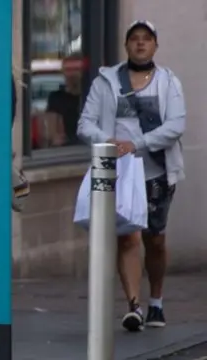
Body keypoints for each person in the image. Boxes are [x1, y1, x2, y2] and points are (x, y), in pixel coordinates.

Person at [77, 20, 185, 332]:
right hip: (119, 172)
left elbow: (176, 125)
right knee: (127, 236)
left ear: (155, 46)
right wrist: (107, 142)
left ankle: (157, 301)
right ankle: (134, 306)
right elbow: (84, 124)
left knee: (155, 240)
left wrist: (135, 144)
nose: (140, 44)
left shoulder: (168, 82)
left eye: (146, 39)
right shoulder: (105, 81)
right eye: (134, 39)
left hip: (156, 172)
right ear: (126, 45)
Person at [45, 54, 83, 146]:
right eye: (68, 70)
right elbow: (52, 134)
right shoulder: (56, 98)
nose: (72, 74)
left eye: (76, 70)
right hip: (66, 150)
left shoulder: (93, 97)